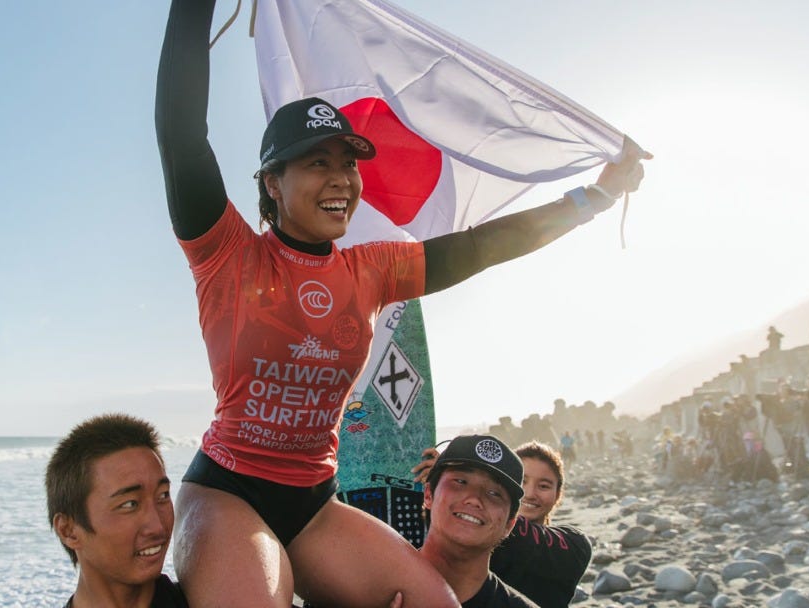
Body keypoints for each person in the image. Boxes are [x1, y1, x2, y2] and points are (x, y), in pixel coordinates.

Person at [155, 1, 649, 605]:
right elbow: (181, 134)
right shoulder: (226, 252)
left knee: (435, 604)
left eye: (348, 165)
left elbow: (482, 247)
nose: (341, 179)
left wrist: (593, 197)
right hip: (228, 490)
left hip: (314, 500)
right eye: (318, 163)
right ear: (271, 182)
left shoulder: (371, 269)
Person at [415, 441, 591, 608]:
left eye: (543, 486)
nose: (529, 494)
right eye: (523, 482)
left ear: (558, 494)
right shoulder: (480, 541)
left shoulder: (574, 545)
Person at [45, 413, 188, 608]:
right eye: (129, 504)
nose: (157, 527)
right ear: (68, 530)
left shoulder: (216, 600)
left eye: (162, 495)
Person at [420, 435, 540, 607]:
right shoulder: (377, 587)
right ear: (429, 494)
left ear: (509, 524)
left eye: (494, 493)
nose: (475, 499)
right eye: (460, 481)